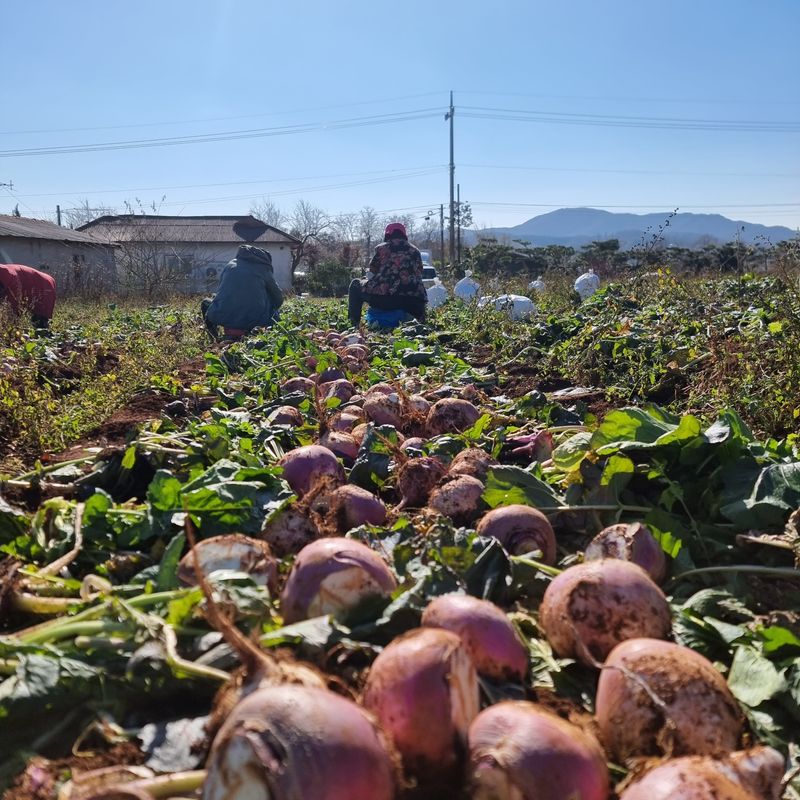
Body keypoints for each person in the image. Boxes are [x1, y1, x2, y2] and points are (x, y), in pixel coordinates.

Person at [348, 222, 427, 328]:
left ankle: (354, 323)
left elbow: (372, 272)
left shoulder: (381, 249)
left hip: (385, 300)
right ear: (404, 234)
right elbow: (419, 272)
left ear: (387, 235)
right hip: (414, 303)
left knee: (355, 284)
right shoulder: (415, 250)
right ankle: (416, 320)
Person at [202, 245, 283, 340]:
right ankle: (271, 339)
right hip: (255, 320)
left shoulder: (230, 265)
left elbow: (221, 292)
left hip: (224, 316)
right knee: (274, 307)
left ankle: (213, 336)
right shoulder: (263, 268)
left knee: (205, 303)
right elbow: (278, 299)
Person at [0, 263, 57, 329]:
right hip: (33, 283)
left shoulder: (10, 278)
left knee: (40, 327)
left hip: (43, 286)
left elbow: (12, 310)